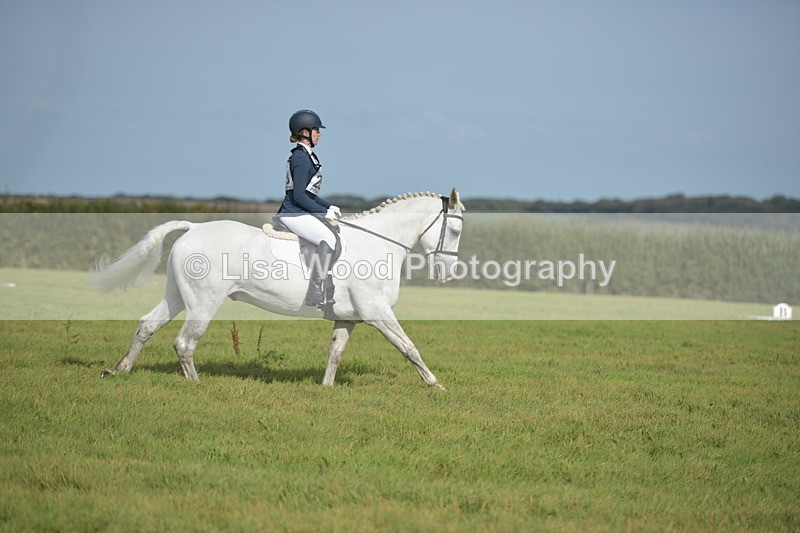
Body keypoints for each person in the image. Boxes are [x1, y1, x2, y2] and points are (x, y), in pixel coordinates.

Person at [276, 109, 341, 307]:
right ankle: (314, 291)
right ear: (305, 132)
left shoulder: (307, 156)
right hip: (293, 213)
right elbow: (299, 196)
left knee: (333, 234)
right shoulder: (301, 158)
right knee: (328, 238)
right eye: (316, 130)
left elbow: (310, 194)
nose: (319, 133)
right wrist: (323, 212)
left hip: (300, 210)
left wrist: (328, 206)